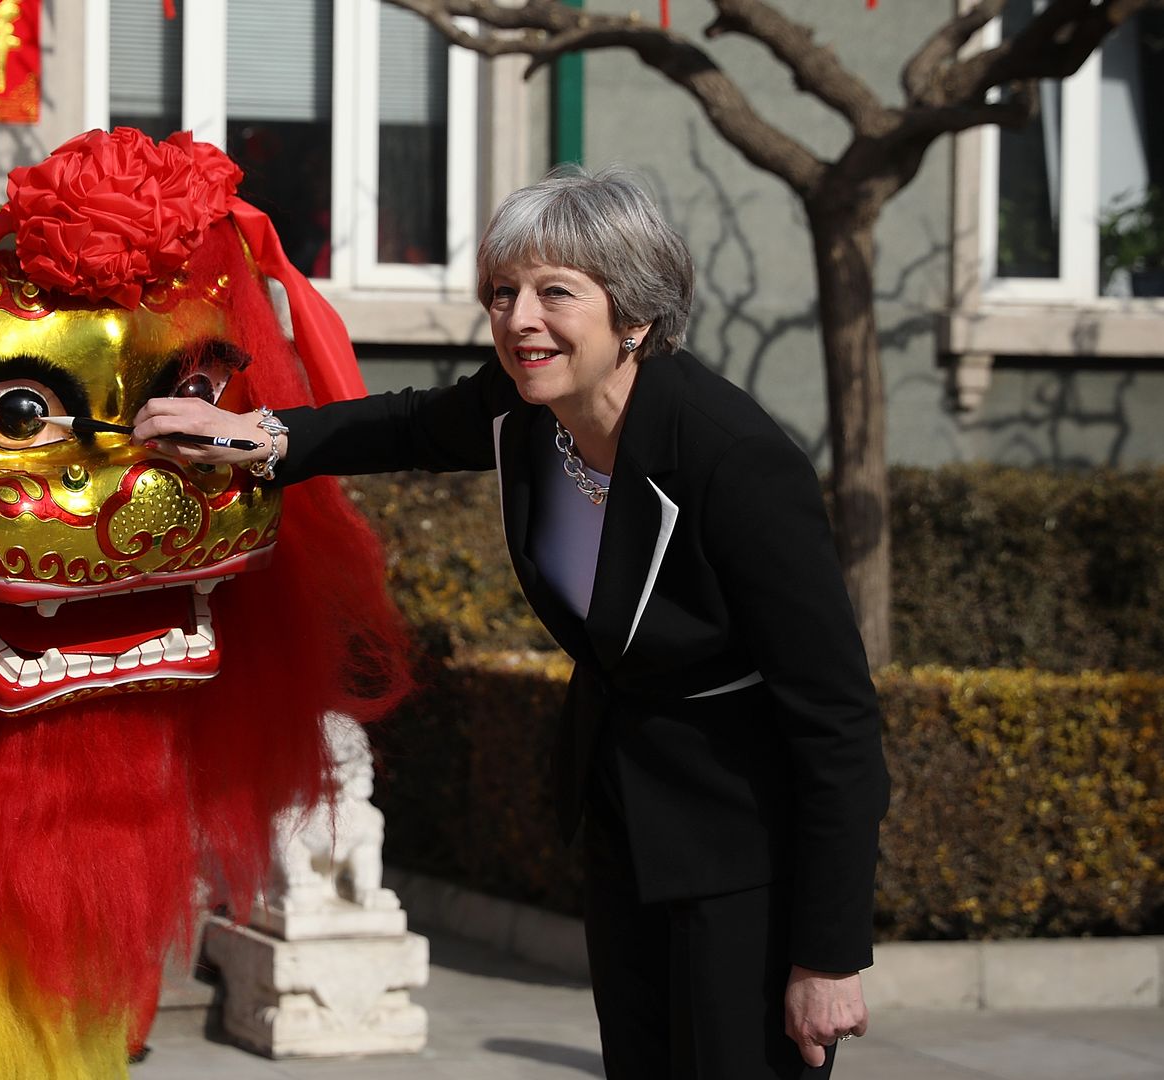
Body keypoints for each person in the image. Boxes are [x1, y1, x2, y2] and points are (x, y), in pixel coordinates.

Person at [131, 165, 892, 1079]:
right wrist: (263, 437)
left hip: (747, 852)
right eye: (502, 293)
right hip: (623, 819)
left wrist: (830, 955)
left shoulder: (736, 460)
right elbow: (406, 426)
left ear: (636, 316)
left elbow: (838, 716)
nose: (518, 319)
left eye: (554, 293)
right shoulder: (527, 411)